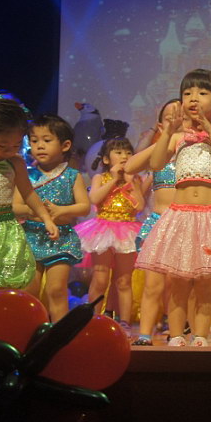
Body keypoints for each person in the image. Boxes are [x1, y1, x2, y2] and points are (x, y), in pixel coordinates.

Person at [135, 68, 211, 347]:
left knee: (206, 282)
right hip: (181, 216)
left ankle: (200, 335)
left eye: (202, 93)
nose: (193, 98)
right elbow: (155, 164)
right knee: (177, 281)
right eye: (187, 93)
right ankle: (177, 335)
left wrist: (208, 129)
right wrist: (169, 132)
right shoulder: (177, 138)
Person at [16, 115, 89, 321]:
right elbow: (15, 206)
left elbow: (84, 207)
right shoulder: (26, 174)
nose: (39, 146)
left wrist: (61, 211)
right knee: (29, 290)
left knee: (56, 289)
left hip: (60, 239)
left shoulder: (72, 175)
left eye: (47, 140)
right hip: (31, 237)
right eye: (34, 141)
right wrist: (37, 212)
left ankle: (59, 333)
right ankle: (29, 331)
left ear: (65, 145)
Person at [126, 99, 182, 346]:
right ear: (160, 124)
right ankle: (145, 334)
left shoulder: (193, 149)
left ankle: (177, 331)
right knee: (153, 284)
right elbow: (131, 166)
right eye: (170, 117)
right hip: (159, 223)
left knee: (177, 285)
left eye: (181, 116)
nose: (176, 119)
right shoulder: (159, 152)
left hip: (184, 223)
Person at [75, 137, 144, 334]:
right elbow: (94, 198)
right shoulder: (100, 178)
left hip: (127, 231)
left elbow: (139, 206)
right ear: (106, 159)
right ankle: (92, 319)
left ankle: (125, 322)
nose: (124, 156)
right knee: (100, 279)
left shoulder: (135, 180)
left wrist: (131, 184)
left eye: (128, 153)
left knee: (124, 281)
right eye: (118, 152)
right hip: (103, 230)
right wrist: (114, 179)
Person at [0, 98, 58, 289]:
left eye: (15, 146)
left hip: (5, 230)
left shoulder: (15, 163)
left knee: (7, 280)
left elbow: (28, 193)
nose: (9, 151)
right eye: (2, 146)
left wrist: (46, 217)